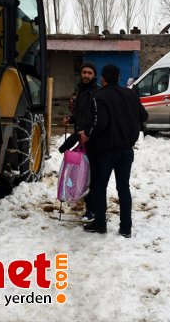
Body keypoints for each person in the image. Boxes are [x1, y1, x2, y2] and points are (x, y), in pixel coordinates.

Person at [78, 64, 148, 238]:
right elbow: (144, 116)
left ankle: (100, 224)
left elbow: (100, 122)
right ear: (118, 78)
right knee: (123, 188)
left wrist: (87, 134)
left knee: (99, 188)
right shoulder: (131, 94)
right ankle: (126, 228)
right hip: (126, 150)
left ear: (103, 78)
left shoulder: (100, 96)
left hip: (105, 151)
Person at [58, 62, 99, 221]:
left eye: (89, 73)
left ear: (94, 75)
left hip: (92, 140)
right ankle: (86, 204)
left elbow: (96, 117)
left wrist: (88, 132)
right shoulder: (80, 92)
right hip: (80, 139)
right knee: (82, 173)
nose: (86, 75)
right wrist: (71, 118)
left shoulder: (97, 92)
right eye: (84, 72)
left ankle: (93, 210)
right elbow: (81, 115)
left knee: (92, 176)